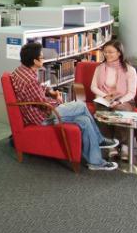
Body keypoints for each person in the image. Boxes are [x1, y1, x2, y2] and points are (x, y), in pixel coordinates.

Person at [11, 42, 119, 170]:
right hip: (43, 117)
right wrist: (58, 102)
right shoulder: (30, 79)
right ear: (34, 61)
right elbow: (43, 105)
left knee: (84, 120)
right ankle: (99, 140)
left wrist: (50, 92)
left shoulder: (21, 70)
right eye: (41, 57)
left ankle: (95, 162)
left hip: (37, 112)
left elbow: (36, 91)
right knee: (81, 106)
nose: (44, 59)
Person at [91, 40, 137, 158]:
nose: (107, 55)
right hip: (104, 97)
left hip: (123, 99)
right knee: (102, 111)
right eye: (105, 52)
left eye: (111, 52)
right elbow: (93, 87)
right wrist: (106, 97)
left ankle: (124, 144)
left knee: (120, 111)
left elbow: (131, 92)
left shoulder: (129, 70)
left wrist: (118, 101)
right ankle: (111, 144)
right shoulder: (100, 68)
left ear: (119, 53)